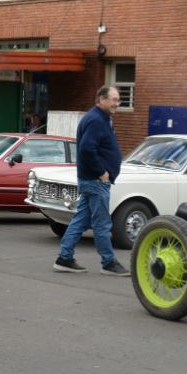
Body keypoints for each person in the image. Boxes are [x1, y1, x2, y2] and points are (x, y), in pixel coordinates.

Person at [53, 86, 130, 276]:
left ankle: (65, 258)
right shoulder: (96, 120)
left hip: (91, 181)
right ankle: (108, 262)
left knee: (81, 220)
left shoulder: (99, 118)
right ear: (101, 99)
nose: (116, 104)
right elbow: (87, 149)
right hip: (96, 182)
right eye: (113, 100)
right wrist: (101, 172)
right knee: (102, 223)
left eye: (118, 100)